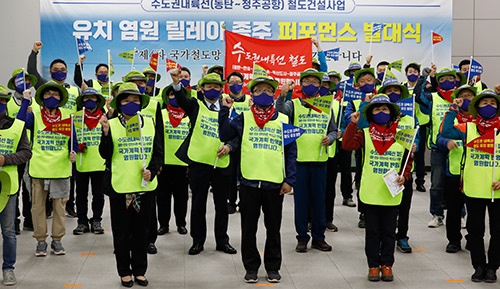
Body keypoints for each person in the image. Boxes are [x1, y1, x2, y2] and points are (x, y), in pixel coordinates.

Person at [218, 73, 296, 283]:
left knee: (273, 229)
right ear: (251, 94)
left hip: (274, 184)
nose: (264, 94)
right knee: (249, 229)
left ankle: (273, 267)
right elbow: (225, 134)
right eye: (259, 90)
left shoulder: (283, 119)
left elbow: (290, 151)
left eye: (269, 91)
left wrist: (289, 179)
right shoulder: (243, 119)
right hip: (248, 183)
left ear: (274, 95)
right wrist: (224, 110)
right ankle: (251, 267)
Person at [98, 82, 163, 287]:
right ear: (119, 103)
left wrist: (152, 170)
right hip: (120, 187)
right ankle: (124, 272)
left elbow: (159, 153)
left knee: (142, 232)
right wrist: (106, 133)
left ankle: (140, 270)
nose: (130, 103)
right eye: (126, 100)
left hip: (144, 187)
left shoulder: (150, 122)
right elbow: (105, 154)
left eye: (135, 100)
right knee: (122, 233)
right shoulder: (112, 123)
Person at [342, 94, 413, 282]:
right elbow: (347, 145)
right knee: (372, 233)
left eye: (385, 109)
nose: (381, 112)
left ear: (391, 113)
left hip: (391, 192)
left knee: (389, 232)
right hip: (371, 191)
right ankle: (373, 266)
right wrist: (353, 124)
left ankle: (387, 265)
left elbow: (407, 161)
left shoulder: (402, 135)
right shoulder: (364, 134)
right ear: (371, 114)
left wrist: (404, 177)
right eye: (377, 109)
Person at [170, 70, 237, 256]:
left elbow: (236, 135)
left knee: (221, 205)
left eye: (217, 87)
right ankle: (197, 241)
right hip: (199, 163)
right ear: (202, 89)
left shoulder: (229, 108)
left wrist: (230, 146)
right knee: (198, 204)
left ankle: (222, 241)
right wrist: (177, 84)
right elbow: (182, 101)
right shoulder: (195, 106)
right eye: (209, 87)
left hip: (221, 162)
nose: (213, 90)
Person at [440, 89, 500, 283]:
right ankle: (479, 266)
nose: (489, 106)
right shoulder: (469, 127)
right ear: (476, 107)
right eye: (484, 103)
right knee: (475, 231)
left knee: (497, 231)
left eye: (493, 103)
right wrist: (453, 108)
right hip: (473, 188)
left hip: (497, 189)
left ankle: (493, 267)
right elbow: (446, 131)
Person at [276, 68, 337, 253]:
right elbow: (279, 115)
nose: (311, 85)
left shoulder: (326, 105)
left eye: (315, 82)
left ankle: (319, 238)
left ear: (320, 85)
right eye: (307, 81)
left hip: (320, 161)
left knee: (319, 201)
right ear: (301, 84)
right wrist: (281, 96)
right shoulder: (293, 105)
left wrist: (331, 138)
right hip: (299, 162)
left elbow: (334, 130)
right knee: (301, 203)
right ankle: (302, 237)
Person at [17, 81, 77, 256]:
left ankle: (57, 241)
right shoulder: (35, 115)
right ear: (42, 97)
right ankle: (41, 241)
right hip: (39, 169)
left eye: (56, 94)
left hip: (60, 169)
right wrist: (25, 102)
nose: (52, 97)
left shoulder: (67, 116)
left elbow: (72, 140)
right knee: (37, 207)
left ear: (61, 98)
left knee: (59, 207)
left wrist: (73, 152)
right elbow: (19, 124)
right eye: (48, 94)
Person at [28, 41, 80, 219]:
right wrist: (34, 52)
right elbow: (32, 72)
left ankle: (69, 205)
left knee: (67, 176)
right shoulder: (46, 85)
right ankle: (48, 208)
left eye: (63, 69)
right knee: (45, 180)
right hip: (45, 133)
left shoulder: (73, 89)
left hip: (65, 132)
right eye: (56, 68)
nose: (60, 71)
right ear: (50, 72)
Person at [415, 67, 458, 228]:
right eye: (442, 79)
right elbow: (418, 96)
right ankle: (437, 215)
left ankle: (459, 214)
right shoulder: (432, 98)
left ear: (455, 80)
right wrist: (423, 77)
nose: (447, 81)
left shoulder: (461, 97)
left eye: (450, 78)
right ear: (437, 81)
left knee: (457, 185)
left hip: (459, 148)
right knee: (437, 184)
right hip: (438, 148)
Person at [436, 85, 477, 253]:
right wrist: (446, 142)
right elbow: (440, 136)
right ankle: (453, 240)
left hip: (476, 172)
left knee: (475, 211)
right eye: (463, 96)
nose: (466, 98)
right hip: (455, 170)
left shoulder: (480, 119)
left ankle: (472, 238)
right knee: (454, 209)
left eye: (470, 95)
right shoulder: (452, 117)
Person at [0, 85, 32, 286]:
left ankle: (8, 268)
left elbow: (26, 152)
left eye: (1, 100)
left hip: (7, 186)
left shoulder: (16, 126)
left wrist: (6, 159)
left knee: (9, 231)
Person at [6, 68, 38, 233]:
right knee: (14, 188)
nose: (25, 84)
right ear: (14, 84)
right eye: (21, 81)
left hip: (33, 151)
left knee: (30, 189)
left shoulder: (36, 103)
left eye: (27, 81)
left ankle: (29, 219)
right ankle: (14, 221)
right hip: (13, 151)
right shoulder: (8, 103)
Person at [72, 88, 106, 235]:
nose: (90, 101)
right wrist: (75, 146)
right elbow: (70, 137)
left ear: (98, 101)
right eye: (86, 98)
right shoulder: (76, 118)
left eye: (93, 98)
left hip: (100, 163)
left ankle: (97, 220)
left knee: (98, 194)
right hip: (81, 162)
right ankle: (82, 222)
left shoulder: (105, 118)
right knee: (81, 194)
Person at [156, 85, 189, 236]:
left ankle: (181, 224)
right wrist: (158, 161)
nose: (174, 97)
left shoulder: (189, 115)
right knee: (163, 197)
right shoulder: (161, 114)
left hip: (183, 164)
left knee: (181, 197)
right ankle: (163, 224)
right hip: (164, 164)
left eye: (177, 94)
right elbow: (157, 139)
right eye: (171, 95)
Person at [225, 71, 250, 214]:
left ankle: (243, 202)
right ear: (228, 85)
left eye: (238, 82)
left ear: (243, 83)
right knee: (231, 175)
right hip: (229, 143)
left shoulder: (249, 100)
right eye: (232, 82)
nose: (235, 85)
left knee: (244, 174)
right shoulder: (224, 99)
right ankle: (231, 202)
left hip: (245, 142)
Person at [403, 63, 428, 192]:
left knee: (419, 154)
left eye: (414, 72)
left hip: (420, 123)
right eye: (410, 71)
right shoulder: (402, 88)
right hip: (405, 123)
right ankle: (405, 178)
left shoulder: (423, 87)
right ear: (406, 74)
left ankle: (420, 181)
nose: (412, 74)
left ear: (419, 74)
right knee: (405, 153)